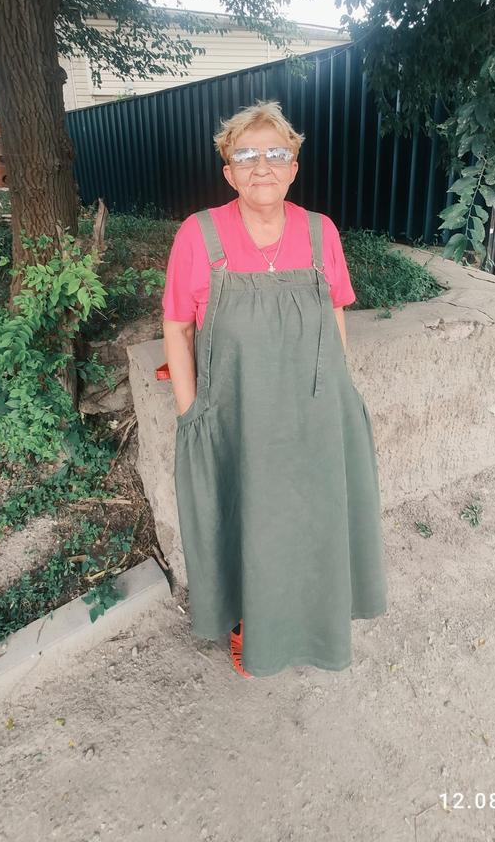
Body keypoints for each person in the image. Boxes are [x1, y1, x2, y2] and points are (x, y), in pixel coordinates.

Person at [161, 99, 387, 678]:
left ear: (293, 168)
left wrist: (339, 392)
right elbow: (177, 327)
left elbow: (335, 312)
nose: (262, 166)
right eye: (246, 155)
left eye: (276, 154)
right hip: (238, 415)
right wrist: (192, 414)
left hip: (314, 414)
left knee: (313, 524)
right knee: (246, 522)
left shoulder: (321, 232)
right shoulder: (198, 234)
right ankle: (251, 625)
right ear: (228, 172)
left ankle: (315, 624)